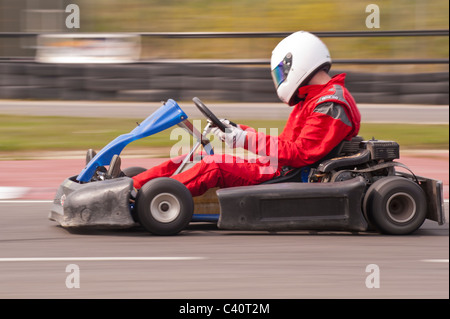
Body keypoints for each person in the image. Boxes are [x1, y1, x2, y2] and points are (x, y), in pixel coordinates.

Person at [128, 31, 361, 197]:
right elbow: (286, 144)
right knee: (189, 159)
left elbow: (300, 153)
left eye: (281, 72)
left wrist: (244, 139)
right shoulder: (314, 97)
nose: (280, 79)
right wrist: (239, 130)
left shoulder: (330, 104)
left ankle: (148, 199)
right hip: (277, 166)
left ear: (296, 63)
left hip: (290, 175)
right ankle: (129, 185)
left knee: (214, 165)